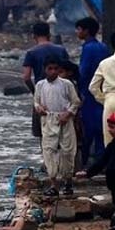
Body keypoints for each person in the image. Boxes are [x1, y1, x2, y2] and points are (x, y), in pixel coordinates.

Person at [35, 58, 82, 196]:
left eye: (56, 69)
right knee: (49, 151)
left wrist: (67, 114)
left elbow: (76, 102)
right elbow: (36, 102)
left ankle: (68, 182)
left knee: (67, 151)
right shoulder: (40, 85)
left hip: (65, 121)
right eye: (50, 68)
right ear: (45, 70)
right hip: (48, 120)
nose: (53, 71)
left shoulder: (67, 84)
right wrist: (39, 108)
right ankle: (54, 184)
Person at [23, 22, 71, 139]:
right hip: (61, 94)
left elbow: (26, 77)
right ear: (49, 34)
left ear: (34, 36)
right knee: (63, 133)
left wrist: (35, 93)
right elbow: (69, 72)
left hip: (42, 97)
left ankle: (46, 157)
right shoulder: (61, 50)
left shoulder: (31, 53)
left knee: (44, 135)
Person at [76, 17, 111, 165]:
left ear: (86, 31)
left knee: (88, 128)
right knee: (101, 127)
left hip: (88, 92)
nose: (77, 32)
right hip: (103, 91)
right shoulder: (103, 47)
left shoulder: (87, 48)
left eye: (79, 29)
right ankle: (101, 159)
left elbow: (83, 72)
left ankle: (86, 162)